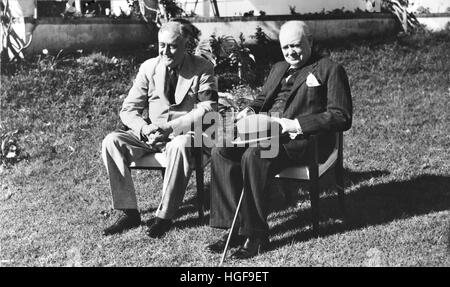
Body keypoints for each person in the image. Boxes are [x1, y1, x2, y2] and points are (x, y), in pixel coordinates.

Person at [207, 21, 353, 259]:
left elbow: (341, 116)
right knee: (221, 150)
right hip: (265, 130)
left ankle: (255, 235)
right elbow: (261, 99)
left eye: (296, 46)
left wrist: (295, 124)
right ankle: (234, 227)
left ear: (311, 42)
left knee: (255, 154)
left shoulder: (330, 69)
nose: (290, 52)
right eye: (285, 47)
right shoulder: (278, 68)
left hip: (300, 140)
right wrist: (250, 111)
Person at [102, 21, 217, 238]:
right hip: (151, 134)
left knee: (180, 144)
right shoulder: (149, 67)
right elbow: (128, 110)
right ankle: (129, 212)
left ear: (186, 45)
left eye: (172, 46)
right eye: (161, 45)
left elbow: (208, 109)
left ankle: (164, 217)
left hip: (186, 135)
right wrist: (145, 129)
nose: (165, 51)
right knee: (111, 141)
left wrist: (170, 128)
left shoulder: (202, 67)